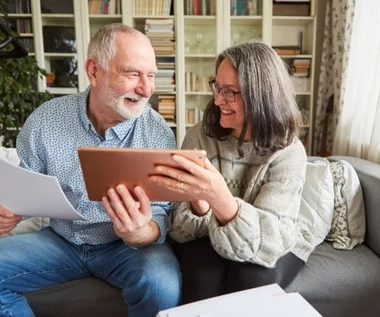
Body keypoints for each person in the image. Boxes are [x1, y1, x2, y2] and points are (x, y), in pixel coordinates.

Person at [0, 23, 181, 317]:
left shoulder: (157, 132)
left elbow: (162, 210)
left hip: (126, 248)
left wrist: (142, 233)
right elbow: (25, 186)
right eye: (133, 74)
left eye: (151, 76)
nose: (147, 89)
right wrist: (10, 212)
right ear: (94, 71)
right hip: (62, 241)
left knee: (160, 285)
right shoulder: (46, 119)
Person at [150, 39, 314, 304]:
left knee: (251, 279)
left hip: (275, 241)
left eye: (230, 92)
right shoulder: (199, 137)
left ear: (260, 95)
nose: (217, 100)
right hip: (212, 236)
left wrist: (219, 198)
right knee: (203, 275)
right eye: (217, 87)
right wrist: (202, 207)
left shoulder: (289, 152)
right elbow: (178, 228)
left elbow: (270, 243)